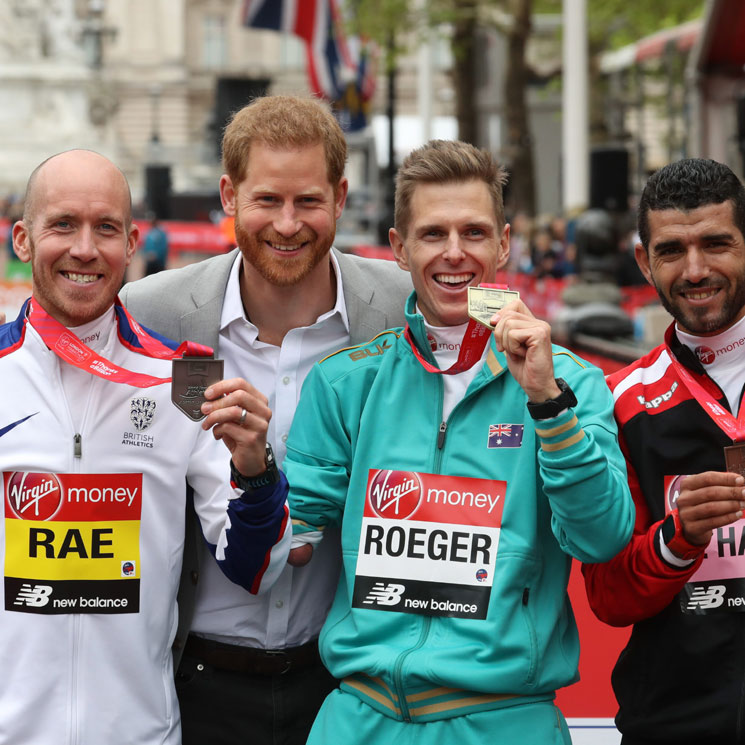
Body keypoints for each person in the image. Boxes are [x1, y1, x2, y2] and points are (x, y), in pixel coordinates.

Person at [279, 139, 634, 743]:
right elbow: (290, 542)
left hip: (504, 720)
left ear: (504, 243)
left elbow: (602, 538)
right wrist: (250, 473)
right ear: (398, 248)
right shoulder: (344, 382)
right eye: (432, 234)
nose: (454, 254)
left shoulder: (570, 381)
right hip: (358, 719)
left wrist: (547, 404)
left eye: (473, 233)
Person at [118, 94, 412, 745]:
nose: (287, 224)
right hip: (194, 681)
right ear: (228, 195)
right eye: (266, 200)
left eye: (307, 201)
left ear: (339, 197)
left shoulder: (399, 307)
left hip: (347, 684)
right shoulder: (151, 311)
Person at [0, 149, 291, 745]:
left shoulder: (186, 379)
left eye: (105, 228)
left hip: (139, 733)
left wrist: (256, 472)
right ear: (23, 240)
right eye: (63, 225)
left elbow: (254, 566)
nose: (85, 248)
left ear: (132, 242)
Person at [582, 158, 745, 745]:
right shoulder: (617, 403)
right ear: (644, 263)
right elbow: (607, 596)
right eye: (672, 250)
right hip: (674, 722)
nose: (696, 269)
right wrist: (677, 542)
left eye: (717, 243)